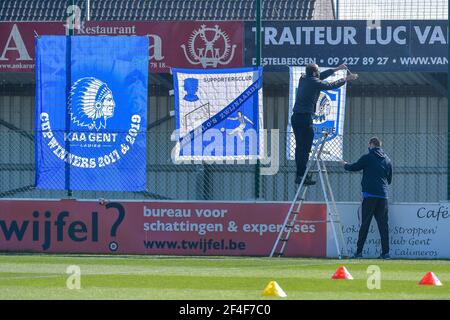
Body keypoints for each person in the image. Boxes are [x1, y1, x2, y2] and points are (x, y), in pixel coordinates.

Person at [292, 63, 358, 185]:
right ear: (313, 73)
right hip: (305, 118)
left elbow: (322, 75)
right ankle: (301, 175)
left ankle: (299, 175)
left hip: (296, 118)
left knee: (300, 147)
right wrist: (346, 79)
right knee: (305, 149)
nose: (318, 73)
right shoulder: (313, 82)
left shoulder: (304, 79)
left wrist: (338, 68)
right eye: (317, 71)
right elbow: (330, 85)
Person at [341, 137, 393, 259]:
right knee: (383, 226)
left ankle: (359, 252)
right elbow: (389, 180)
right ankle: (386, 253)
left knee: (365, 224)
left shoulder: (368, 157)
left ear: (371, 144)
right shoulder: (387, 160)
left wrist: (345, 165)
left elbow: (354, 167)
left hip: (369, 195)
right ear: (380, 145)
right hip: (383, 196)